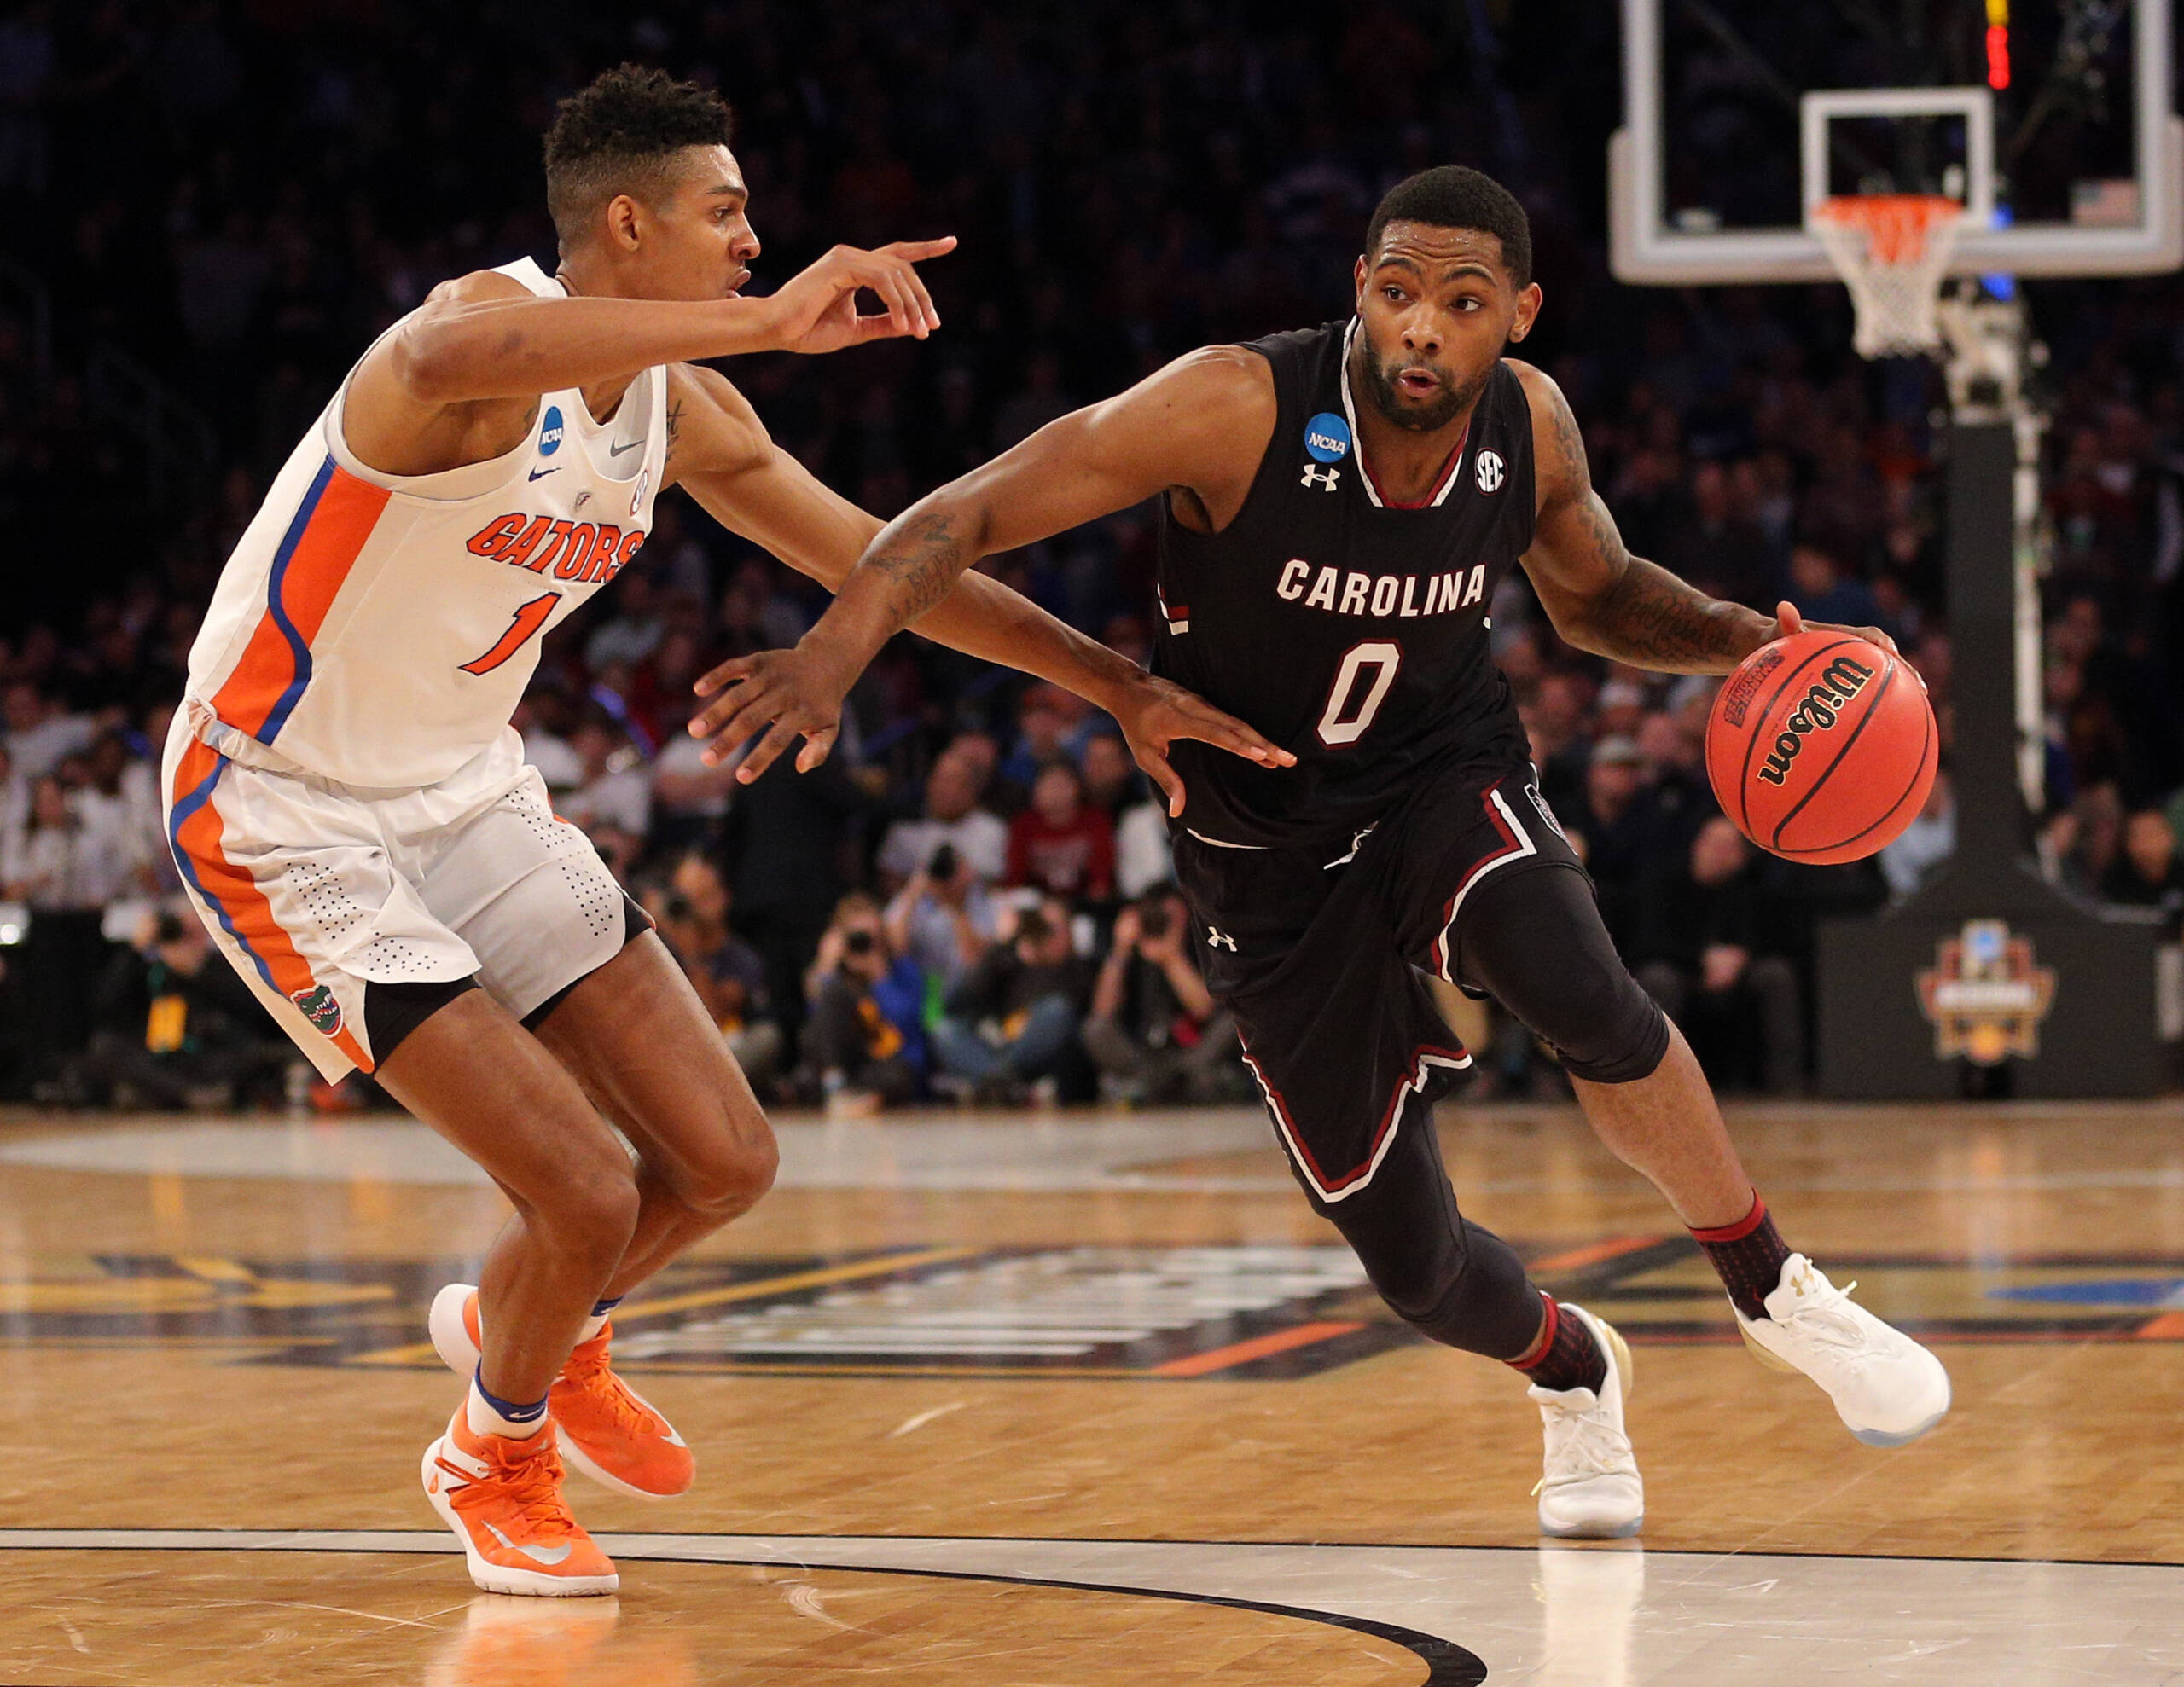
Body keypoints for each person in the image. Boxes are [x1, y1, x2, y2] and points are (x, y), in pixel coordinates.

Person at [702, 163, 1951, 1540]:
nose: (1423, 327)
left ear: (1516, 315)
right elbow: (966, 513)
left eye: (1462, 302)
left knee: (1576, 976)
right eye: (1399, 291)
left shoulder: (1530, 428)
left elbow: (1597, 595)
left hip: (1438, 770)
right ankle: (1575, 1367)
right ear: (1361, 288)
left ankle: (1779, 1290)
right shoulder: (1234, 406)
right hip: (1262, 847)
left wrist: (1733, 638)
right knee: (1416, 1265)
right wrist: (832, 656)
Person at [160, 65, 1281, 1597]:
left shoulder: (684, 409)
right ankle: (491, 1446)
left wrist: (1114, 686)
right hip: (278, 805)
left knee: (725, 1157)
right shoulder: (465, 354)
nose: (757, 245)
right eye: (727, 215)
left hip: (467, 787)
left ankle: (531, 1328)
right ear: (625, 223)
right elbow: (462, 339)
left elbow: (892, 563)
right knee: (583, 1187)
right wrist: (765, 323)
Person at [1629, 817, 1804, 1096]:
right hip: (1683, 970)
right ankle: (1655, 1084)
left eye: (1727, 847)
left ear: (1742, 858)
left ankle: (1785, 1086)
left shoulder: (1752, 888)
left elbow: (1777, 938)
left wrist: (1740, 958)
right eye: (1711, 843)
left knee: (1776, 975)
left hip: (1738, 975)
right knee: (1657, 979)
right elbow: (1649, 942)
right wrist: (1701, 958)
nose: (1715, 852)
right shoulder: (1666, 884)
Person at [1083, 890, 1245, 1103]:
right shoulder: (1130, 951)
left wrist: (1172, 957)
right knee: (1095, 1029)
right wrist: (1120, 949)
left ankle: (1180, 1081)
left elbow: (1204, 1009)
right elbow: (1103, 1010)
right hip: (1143, 1056)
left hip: (1193, 1053)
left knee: (1231, 1022)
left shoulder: (1201, 944)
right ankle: (1152, 1083)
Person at [931, 896, 1089, 1102]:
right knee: (945, 1028)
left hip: (1040, 1058)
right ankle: (1004, 1081)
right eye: (1039, 929)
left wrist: (1044, 960)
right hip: (998, 1044)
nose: (1044, 936)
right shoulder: (1007, 960)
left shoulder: (1078, 967)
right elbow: (954, 1003)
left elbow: (1075, 1007)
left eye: (1052, 929)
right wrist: (1000, 946)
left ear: (1069, 933)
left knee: (1057, 1009)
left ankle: (996, 1080)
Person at [800, 893, 920, 1111]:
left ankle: (852, 1097)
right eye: (856, 939)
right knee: (805, 1076)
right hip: (838, 1063)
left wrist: (880, 979)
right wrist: (826, 968)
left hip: (878, 1061)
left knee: (900, 1074)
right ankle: (838, 1088)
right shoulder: (832, 978)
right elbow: (817, 1026)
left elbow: (906, 1027)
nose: (863, 946)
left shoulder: (900, 970)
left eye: (871, 938)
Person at [1006, 760, 1115, 901]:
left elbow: (1102, 880)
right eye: (1049, 785)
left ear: (1077, 788)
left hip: (1085, 902)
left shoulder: (1095, 820)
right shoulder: (1023, 825)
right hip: (1037, 902)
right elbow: (1016, 879)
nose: (1056, 793)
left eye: (1061, 785)